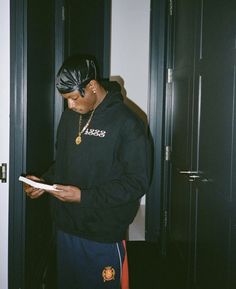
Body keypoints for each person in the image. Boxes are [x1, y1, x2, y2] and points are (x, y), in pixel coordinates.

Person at [23, 55, 151, 289]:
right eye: (66, 99)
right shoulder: (70, 117)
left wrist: (84, 196)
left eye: (73, 98)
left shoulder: (128, 123)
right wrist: (45, 182)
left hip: (102, 234)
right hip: (66, 229)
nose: (70, 106)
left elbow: (136, 183)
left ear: (91, 86)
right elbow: (63, 163)